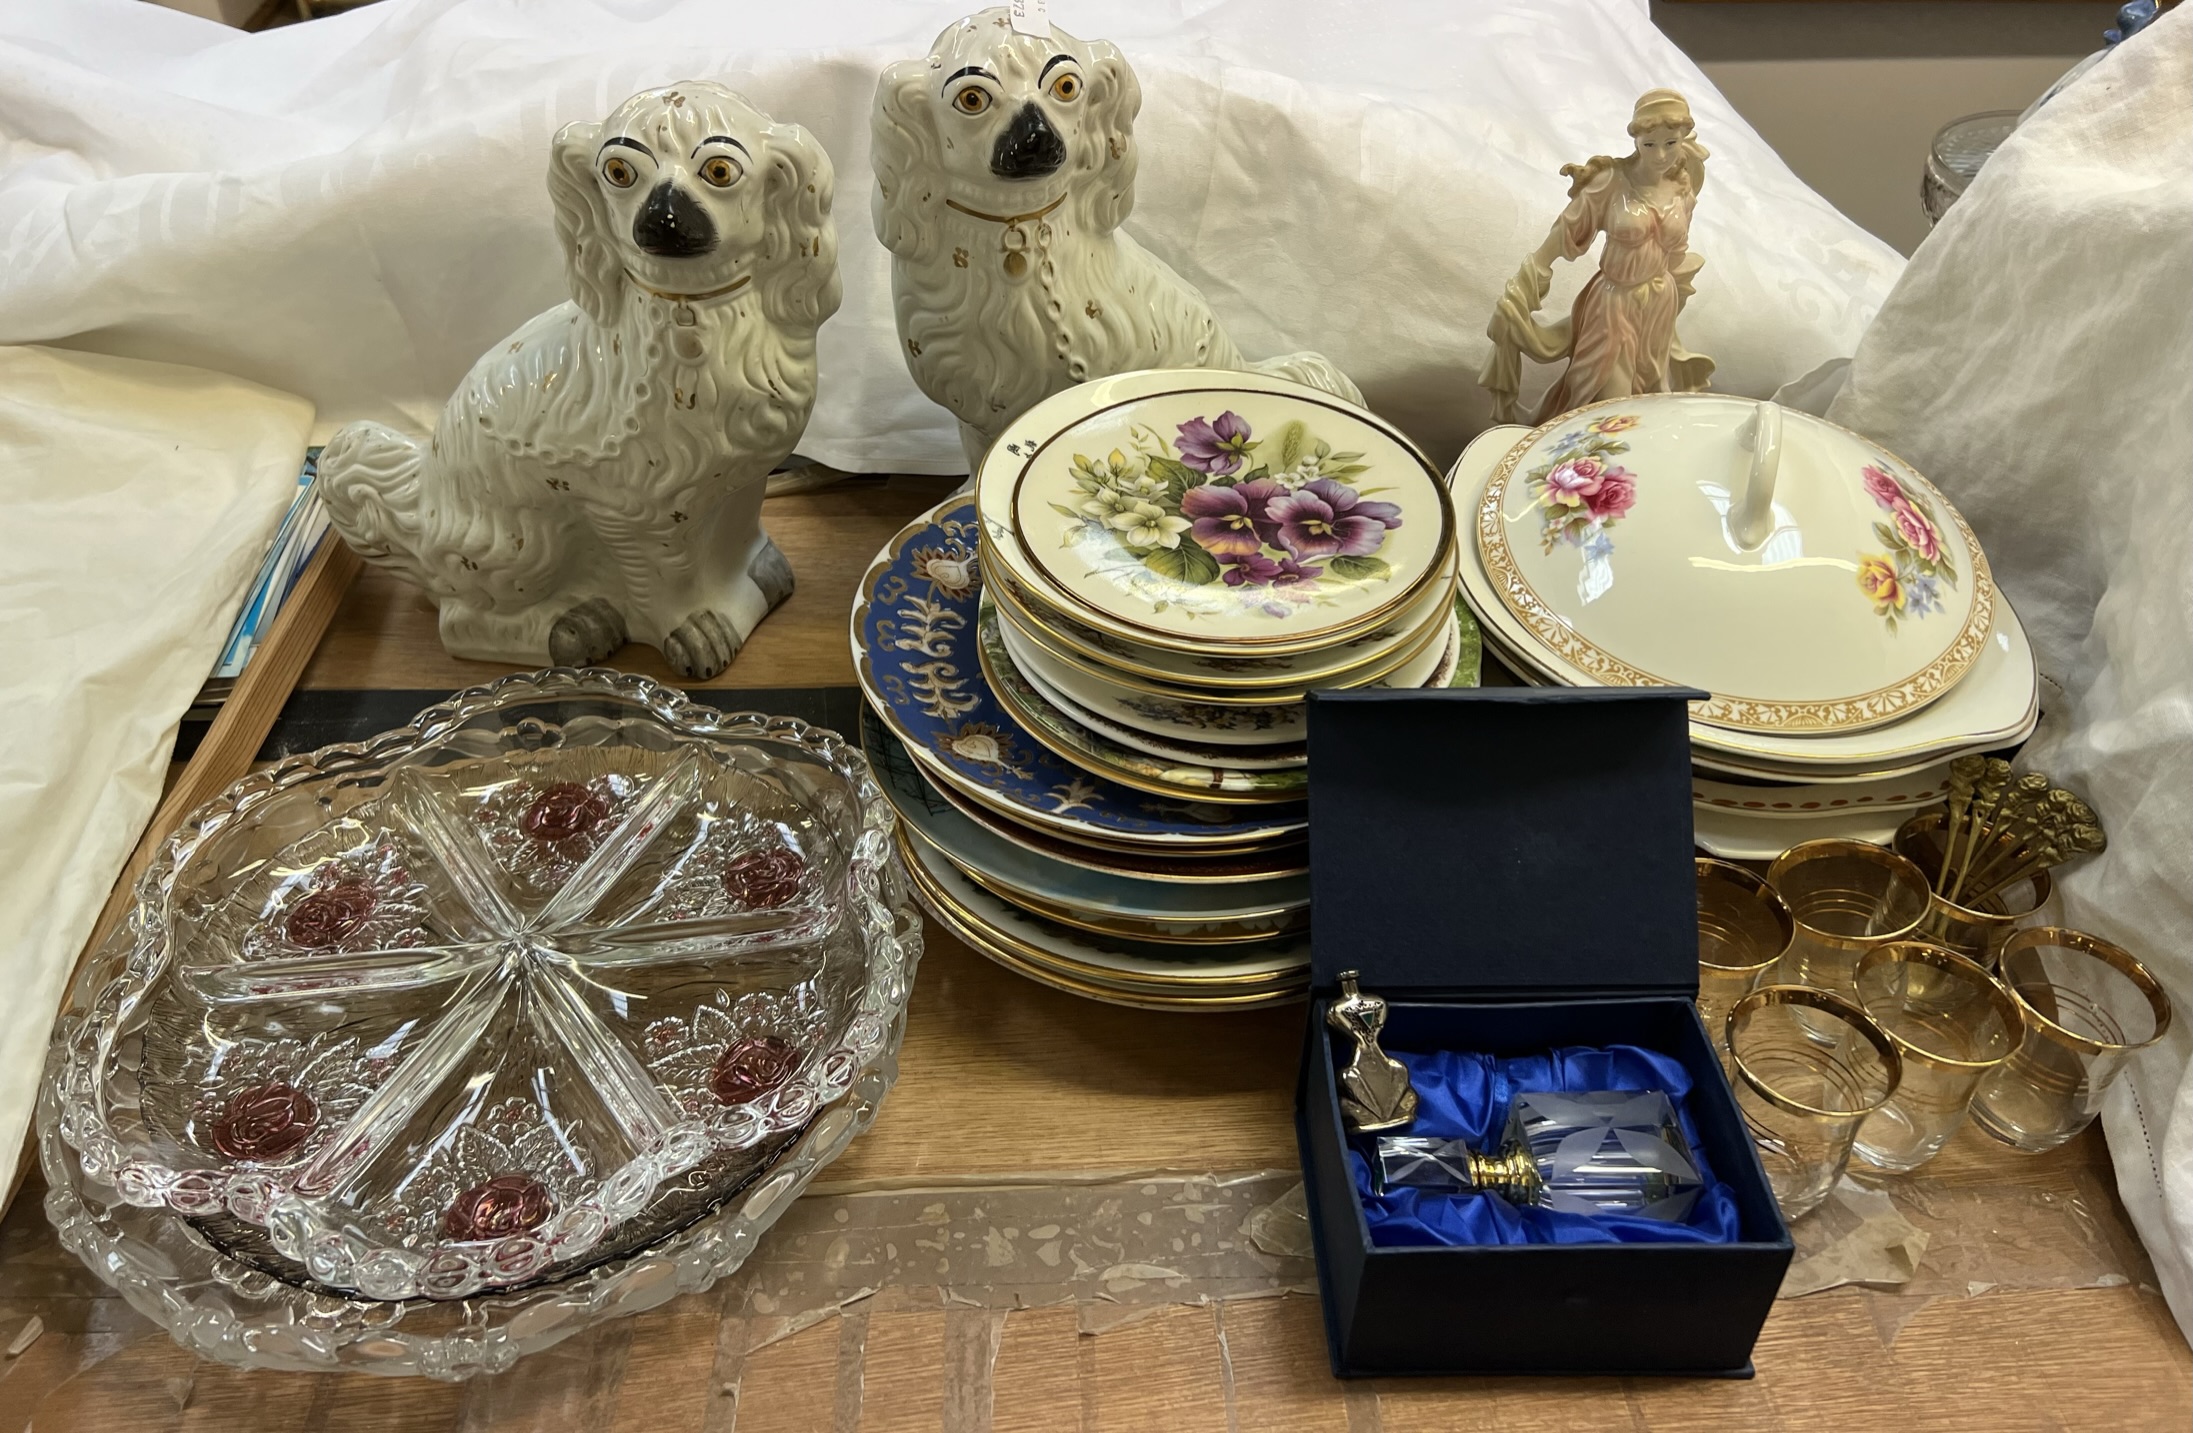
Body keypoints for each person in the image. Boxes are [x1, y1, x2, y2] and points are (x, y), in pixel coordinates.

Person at [1481, 89, 1715, 425]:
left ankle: (1628, 473)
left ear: (1681, 140)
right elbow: (1564, 233)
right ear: (1636, 140)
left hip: (1658, 305)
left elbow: (1675, 254)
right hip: (1612, 306)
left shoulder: (1682, 187)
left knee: (1650, 398)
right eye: (1650, 144)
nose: (1661, 154)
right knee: (1609, 403)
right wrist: (1529, 279)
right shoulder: (1611, 183)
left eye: (1670, 143)